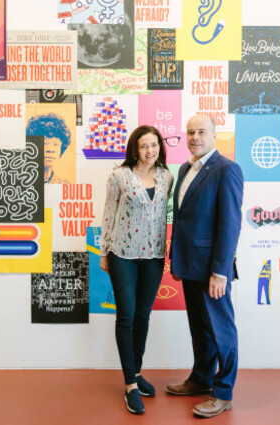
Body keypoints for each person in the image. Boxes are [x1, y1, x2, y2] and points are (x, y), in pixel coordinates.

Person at [166, 115, 244, 418]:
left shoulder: (227, 170)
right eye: (190, 132)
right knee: (200, 329)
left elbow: (230, 225)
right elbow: (184, 220)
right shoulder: (185, 168)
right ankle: (201, 379)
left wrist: (220, 271)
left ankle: (223, 392)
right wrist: (178, 259)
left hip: (213, 270)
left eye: (201, 132)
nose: (195, 137)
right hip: (189, 264)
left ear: (214, 135)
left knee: (221, 330)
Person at [99, 125, 174, 415]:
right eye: (144, 146)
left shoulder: (166, 176)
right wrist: (104, 251)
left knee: (143, 315)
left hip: (154, 255)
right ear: (135, 148)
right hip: (123, 255)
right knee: (126, 316)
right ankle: (130, 384)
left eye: (154, 145)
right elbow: (108, 213)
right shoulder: (119, 176)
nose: (150, 151)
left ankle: (138, 371)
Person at [26, 113, 72, 184]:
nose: (50, 149)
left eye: (56, 144)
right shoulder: (20, 182)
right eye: (45, 143)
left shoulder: (65, 184)